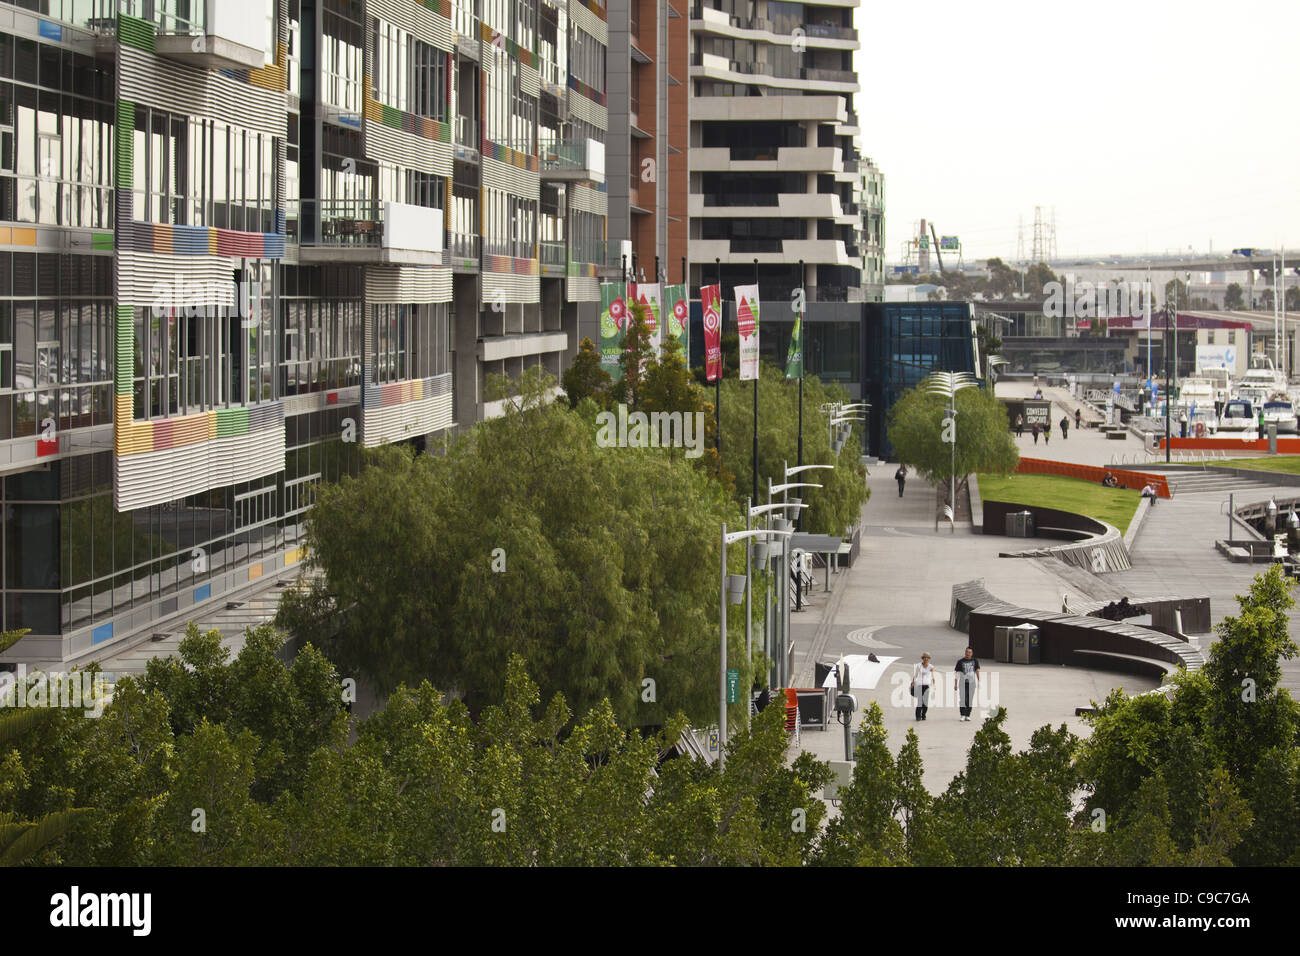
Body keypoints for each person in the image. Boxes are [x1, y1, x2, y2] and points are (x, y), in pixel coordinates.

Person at [953, 647, 980, 721]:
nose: (968, 653)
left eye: (969, 652)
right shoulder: (960, 661)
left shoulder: (975, 661)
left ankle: (968, 715)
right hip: (962, 683)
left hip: (972, 683)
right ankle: (962, 714)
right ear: (965, 652)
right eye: (967, 652)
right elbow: (957, 673)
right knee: (963, 699)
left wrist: (979, 681)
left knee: (969, 700)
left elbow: (977, 670)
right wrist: (955, 684)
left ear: (972, 653)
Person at [911, 653, 936, 721]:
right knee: (920, 702)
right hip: (919, 685)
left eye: (927, 657)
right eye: (924, 657)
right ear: (922, 658)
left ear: (929, 659)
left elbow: (932, 675)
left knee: (925, 702)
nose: (926, 659)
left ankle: (923, 714)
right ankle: (918, 716)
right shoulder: (919, 665)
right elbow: (916, 675)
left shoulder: (931, 666)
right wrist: (912, 682)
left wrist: (933, 681)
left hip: (926, 686)